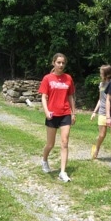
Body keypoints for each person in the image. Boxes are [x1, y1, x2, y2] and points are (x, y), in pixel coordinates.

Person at [38, 53, 76, 182]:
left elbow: (70, 96)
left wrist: (73, 113)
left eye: (63, 63)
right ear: (53, 63)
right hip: (52, 114)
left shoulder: (68, 78)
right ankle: (44, 160)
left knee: (64, 142)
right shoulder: (47, 78)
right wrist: (46, 111)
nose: (61, 65)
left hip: (65, 113)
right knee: (50, 144)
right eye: (58, 62)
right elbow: (43, 96)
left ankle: (62, 172)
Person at [90, 65, 111, 159]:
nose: (100, 74)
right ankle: (97, 148)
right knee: (102, 135)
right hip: (102, 112)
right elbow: (100, 99)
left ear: (106, 74)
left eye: (101, 73)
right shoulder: (101, 84)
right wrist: (94, 112)